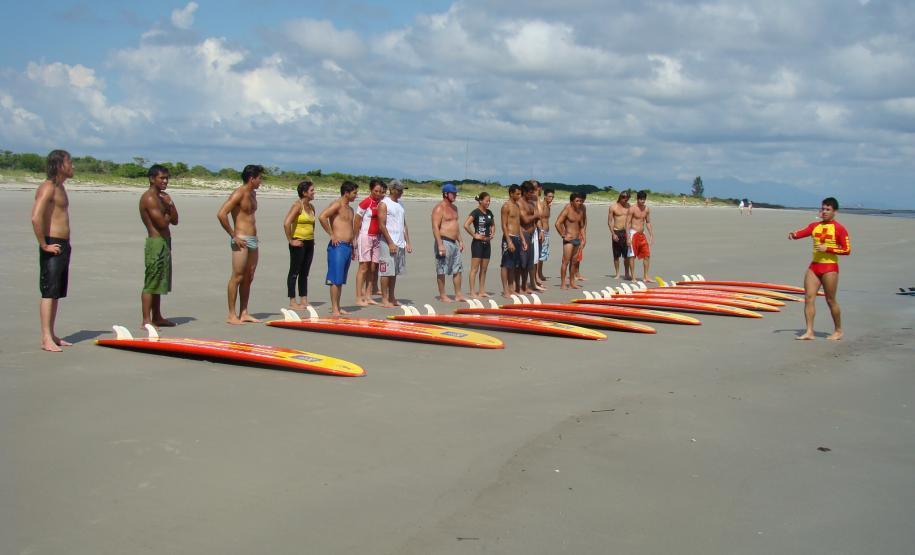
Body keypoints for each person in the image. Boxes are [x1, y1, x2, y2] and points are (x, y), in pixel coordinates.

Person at [788, 197, 851, 341]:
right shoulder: (814, 226)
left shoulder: (839, 228)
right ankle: (809, 331)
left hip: (830, 267)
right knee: (809, 298)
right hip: (814, 266)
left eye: (828, 209)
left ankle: (838, 330)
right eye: (823, 209)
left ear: (835, 211)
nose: (824, 212)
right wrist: (793, 235)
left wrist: (828, 248)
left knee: (830, 300)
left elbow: (847, 250)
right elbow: (802, 233)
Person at [31, 149, 74, 352]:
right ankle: (45, 338)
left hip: (62, 244)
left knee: (55, 292)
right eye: (69, 162)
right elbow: (35, 217)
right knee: (49, 291)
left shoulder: (61, 187)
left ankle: (52, 334)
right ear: (59, 165)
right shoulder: (47, 187)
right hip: (52, 243)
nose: (72, 166)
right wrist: (44, 244)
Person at [217, 164, 264, 324]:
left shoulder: (253, 194)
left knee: (249, 277)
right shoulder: (239, 193)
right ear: (252, 179)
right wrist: (233, 235)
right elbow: (221, 214)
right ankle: (231, 315)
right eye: (259, 178)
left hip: (253, 239)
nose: (261, 181)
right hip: (241, 238)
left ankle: (244, 312)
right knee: (237, 276)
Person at [139, 164, 179, 329]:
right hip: (155, 243)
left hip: (165, 242)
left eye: (166, 178)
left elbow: (175, 221)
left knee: (159, 281)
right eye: (162, 178)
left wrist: (170, 204)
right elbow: (162, 223)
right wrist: (168, 210)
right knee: (151, 281)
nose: (165, 181)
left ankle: (157, 316)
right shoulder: (149, 198)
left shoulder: (163, 197)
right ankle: (146, 320)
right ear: (152, 179)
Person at [319, 181, 359, 316]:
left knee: (340, 279)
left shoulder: (351, 209)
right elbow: (322, 217)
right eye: (354, 193)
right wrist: (331, 234)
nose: (356, 195)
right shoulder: (337, 204)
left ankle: (338, 306)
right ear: (346, 193)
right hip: (337, 246)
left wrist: (353, 245)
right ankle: (334, 308)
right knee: (335, 278)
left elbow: (350, 228)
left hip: (347, 246)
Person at [377, 179, 412, 307]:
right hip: (387, 242)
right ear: (392, 190)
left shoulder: (400, 204)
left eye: (402, 190)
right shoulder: (384, 204)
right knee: (386, 272)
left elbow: (404, 224)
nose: (401, 192)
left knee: (394, 272)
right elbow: (381, 225)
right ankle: (384, 299)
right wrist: (390, 242)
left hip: (400, 242)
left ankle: (392, 297)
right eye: (399, 190)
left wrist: (407, 242)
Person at [283, 180, 316, 309]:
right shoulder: (298, 206)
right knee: (294, 272)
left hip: (309, 242)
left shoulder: (312, 207)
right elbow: (287, 223)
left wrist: (312, 237)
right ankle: (292, 301)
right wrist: (291, 240)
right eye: (312, 190)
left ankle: (304, 300)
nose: (314, 192)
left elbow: (312, 224)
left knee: (305, 272)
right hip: (298, 242)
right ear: (304, 193)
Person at [431, 183, 465, 302]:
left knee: (458, 269)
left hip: (454, 243)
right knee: (442, 269)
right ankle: (443, 295)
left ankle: (458, 294)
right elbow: (435, 227)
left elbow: (456, 226)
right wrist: (440, 244)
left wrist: (460, 240)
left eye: (456, 193)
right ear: (446, 194)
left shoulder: (455, 208)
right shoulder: (439, 208)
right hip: (444, 241)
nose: (455, 195)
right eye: (453, 193)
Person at [354, 179, 385, 306]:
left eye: (380, 191)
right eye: (376, 191)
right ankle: (358, 297)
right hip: (365, 236)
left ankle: (368, 295)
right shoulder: (365, 203)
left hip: (377, 238)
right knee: (363, 267)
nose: (378, 193)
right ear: (371, 190)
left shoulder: (381, 203)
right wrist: (354, 239)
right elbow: (356, 221)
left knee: (373, 267)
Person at [463, 191, 495, 298]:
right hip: (477, 244)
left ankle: (481, 291)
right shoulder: (476, 212)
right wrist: (474, 235)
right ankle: (472, 292)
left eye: (489, 201)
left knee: (484, 269)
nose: (488, 203)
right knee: (474, 269)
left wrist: (492, 232)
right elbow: (466, 225)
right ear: (480, 201)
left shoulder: (489, 212)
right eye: (486, 201)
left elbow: (493, 225)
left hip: (487, 244)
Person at [555, 192, 587, 289]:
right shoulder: (567, 209)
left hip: (577, 239)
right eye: (577, 201)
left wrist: (584, 239)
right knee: (566, 262)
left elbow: (582, 226)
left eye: (580, 201)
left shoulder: (581, 210)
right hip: (569, 240)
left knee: (574, 262)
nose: (579, 202)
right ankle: (563, 283)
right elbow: (557, 223)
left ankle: (572, 283)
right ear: (572, 201)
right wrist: (563, 235)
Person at [499, 184, 527, 297]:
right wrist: (509, 241)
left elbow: (518, 224)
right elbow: (504, 225)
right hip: (509, 237)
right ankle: (505, 290)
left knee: (514, 265)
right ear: (511, 193)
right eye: (517, 194)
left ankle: (511, 288)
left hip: (517, 237)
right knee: (505, 264)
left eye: (520, 194)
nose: (519, 196)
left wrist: (523, 239)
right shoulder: (506, 206)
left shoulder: (517, 205)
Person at [518, 181, 543, 293]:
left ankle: (525, 285)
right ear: (524, 191)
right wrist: (536, 215)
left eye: (533, 192)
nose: (531, 194)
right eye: (530, 192)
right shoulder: (520, 203)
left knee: (530, 262)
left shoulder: (532, 203)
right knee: (522, 263)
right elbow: (525, 220)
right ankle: (520, 286)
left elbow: (537, 218)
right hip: (523, 234)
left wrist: (540, 230)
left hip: (532, 235)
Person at [625, 190, 653, 282]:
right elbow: (627, 223)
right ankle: (633, 277)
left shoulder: (646, 209)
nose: (642, 201)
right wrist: (628, 237)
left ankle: (646, 276)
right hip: (633, 233)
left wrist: (651, 234)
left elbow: (648, 222)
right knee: (632, 256)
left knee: (647, 255)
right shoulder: (632, 209)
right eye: (641, 199)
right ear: (637, 199)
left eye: (644, 199)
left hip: (642, 234)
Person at [608, 190, 631, 280]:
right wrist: (613, 234)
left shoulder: (629, 207)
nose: (625, 199)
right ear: (620, 197)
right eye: (623, 197)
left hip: (626, 232)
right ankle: (617, 273)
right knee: (616, 255)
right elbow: (610, 221)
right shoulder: (613, 207)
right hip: (617, 232)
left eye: (627, 197)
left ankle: (626, 273)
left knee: (627, 255)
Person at [537, 187, 554, 282]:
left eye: (552, 197)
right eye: (549, 196)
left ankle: (540, 273)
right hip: (542, 232)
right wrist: (541, 231)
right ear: (545, 196)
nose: (551, 198)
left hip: (546, 233)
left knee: (543, 254)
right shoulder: (541, 205)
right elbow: (539, 219)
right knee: (539, 254)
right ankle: (537, 275)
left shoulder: (548, 206)